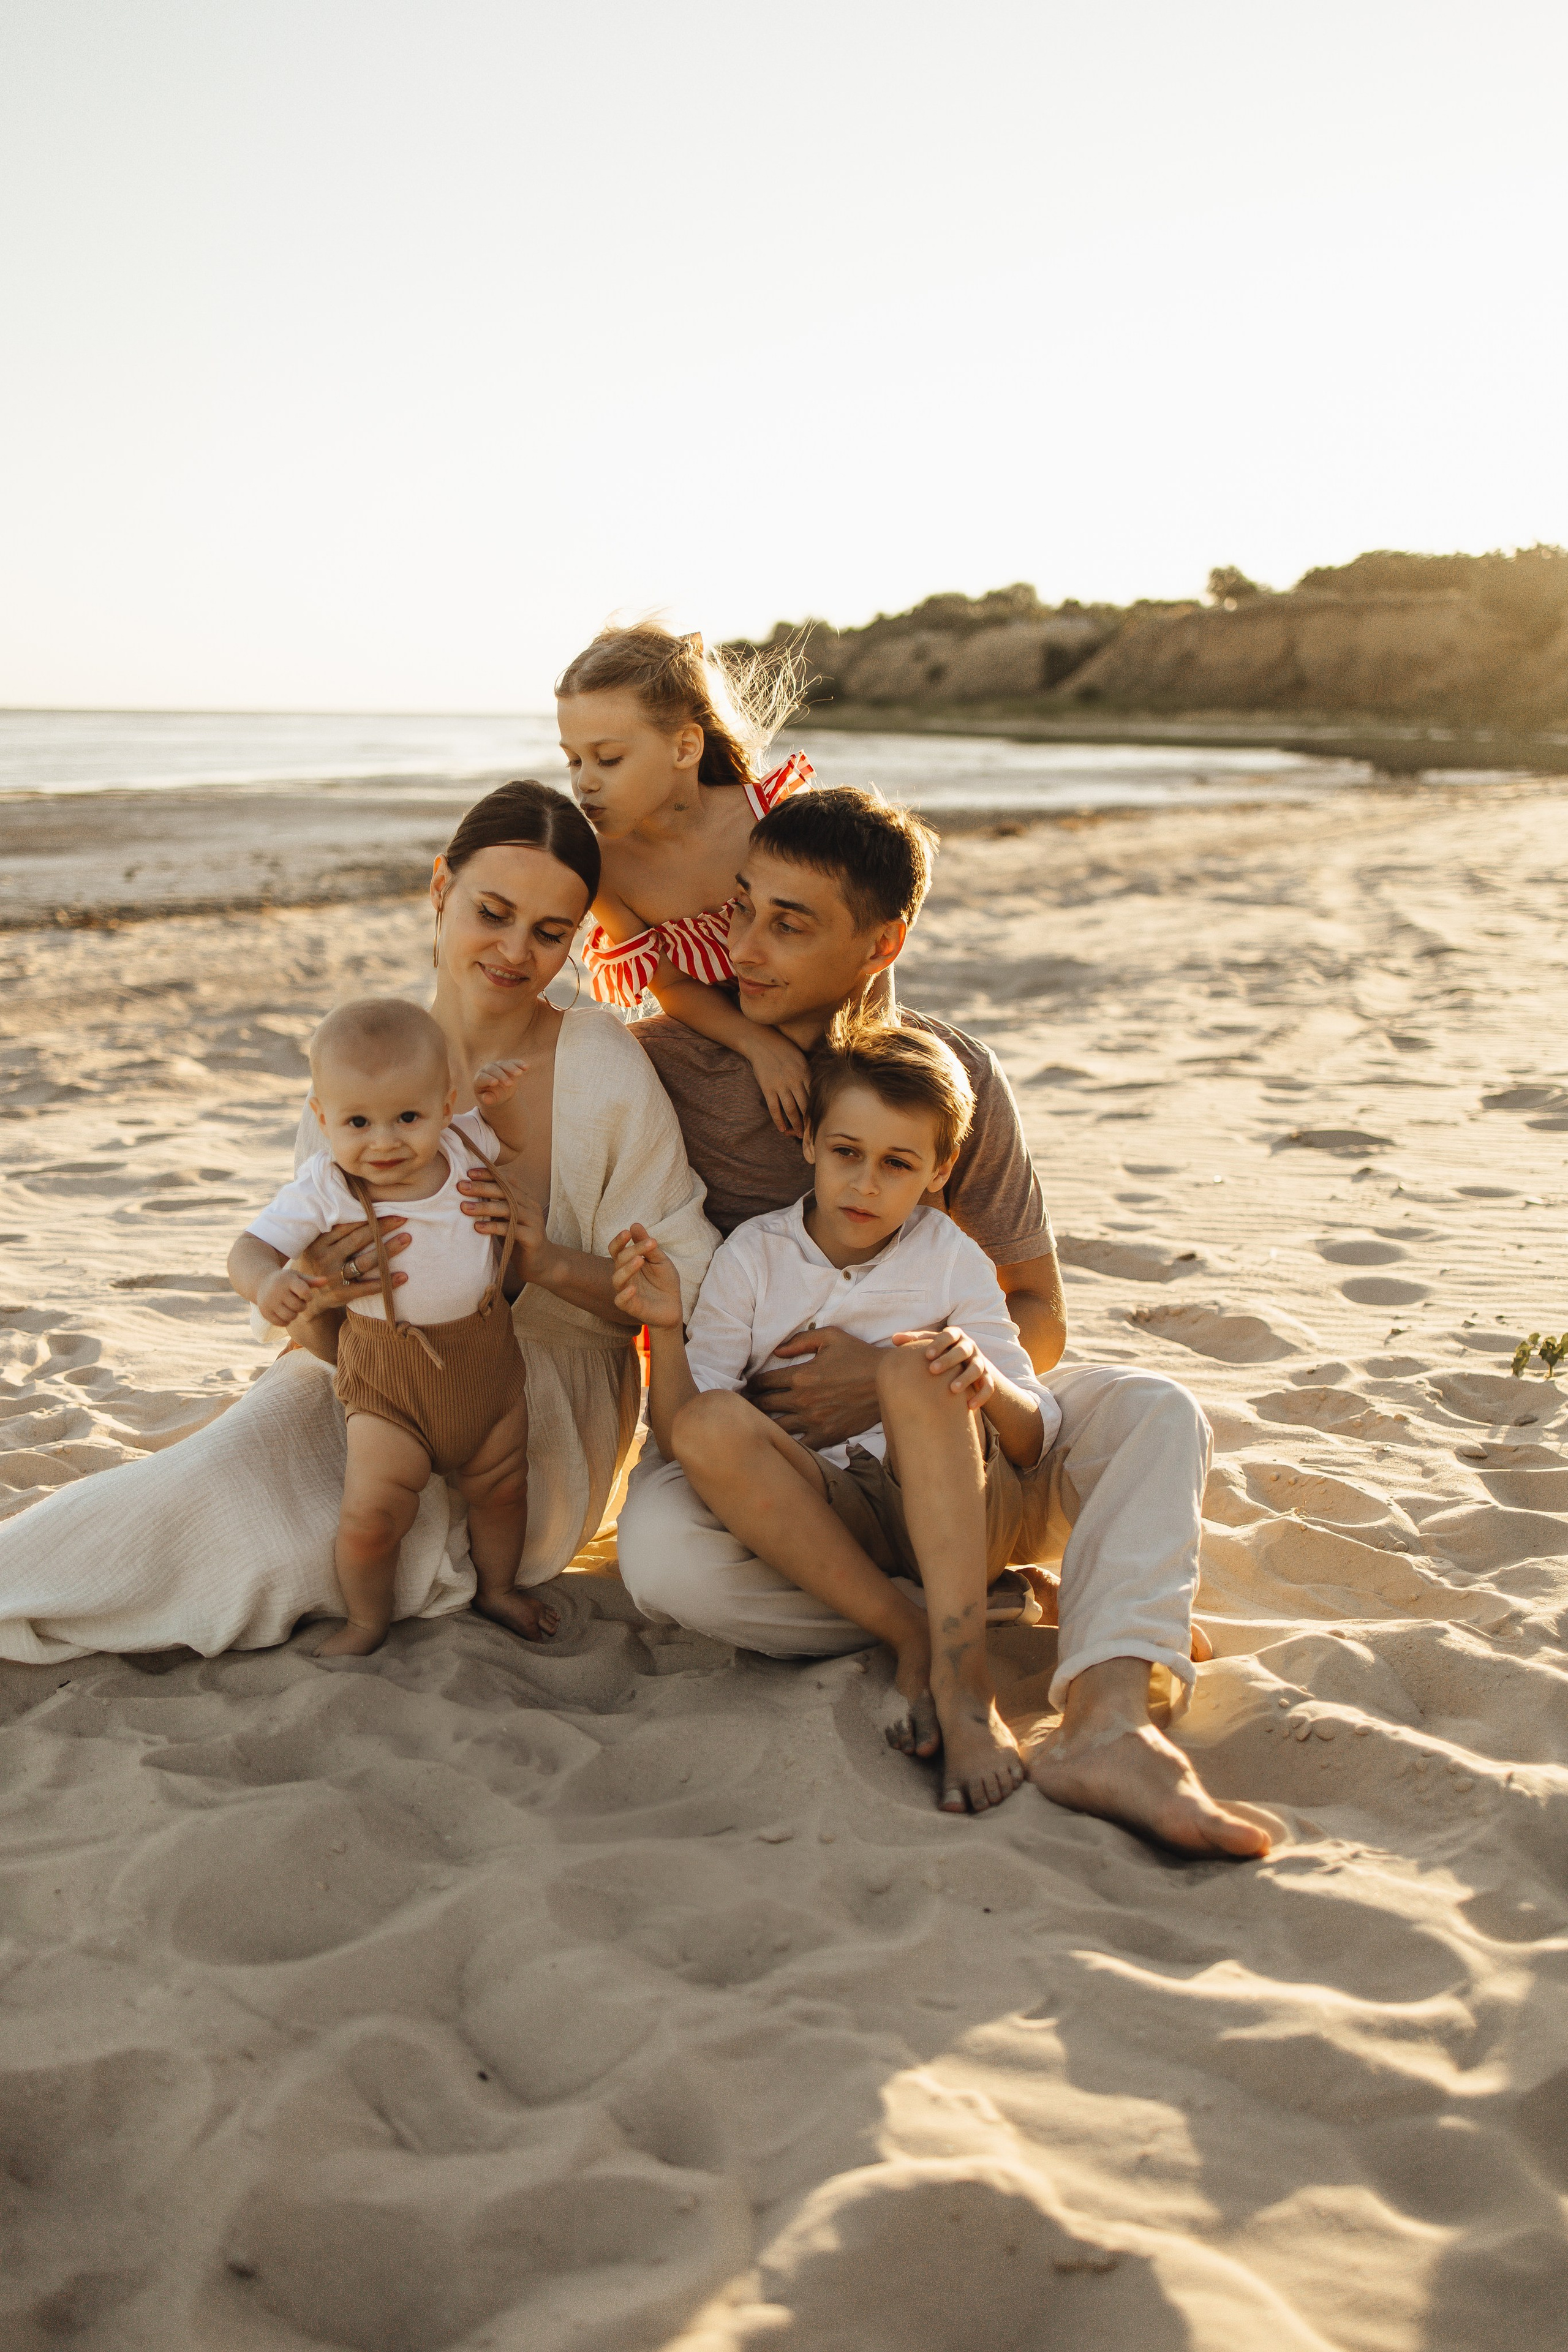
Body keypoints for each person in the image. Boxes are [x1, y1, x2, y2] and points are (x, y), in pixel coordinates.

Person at [619, 784, 1270, 1860]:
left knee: (1157, 1409)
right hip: (806, 1477)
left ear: (885, 942)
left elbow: (1039, 1318)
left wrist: (892, 1372)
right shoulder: (674, 1065)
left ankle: (1107, 1719)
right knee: (664, 1563)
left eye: (792, 922)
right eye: (742, 908)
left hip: (966, 1421)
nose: (747, 945)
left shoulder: (948, 1073)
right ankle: (977, 1613)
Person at [0, 782, 715, 1665]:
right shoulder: (368, 1064)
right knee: (216, 1490)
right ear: (439, 890)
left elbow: (686, 1285)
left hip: (541, 1406)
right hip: (373, 1380)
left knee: (305, 1556)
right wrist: (320, 1296)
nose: (515, 951)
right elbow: (308, 1320)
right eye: (492, 912)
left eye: (551, 932)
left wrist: (542, 1258)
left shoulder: (603, 1062)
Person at [612, 1019, 1063, 1815]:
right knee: (716, 1424)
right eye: (847, 1153)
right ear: (812, 1143)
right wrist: (668, 1330)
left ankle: (964, 1682)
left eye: (898, 1164)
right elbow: (685, 1435)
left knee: (920, 1366)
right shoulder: (755, 1255)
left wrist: (981, 1374)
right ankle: (908, 1633)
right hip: (833, 1515)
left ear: (938, 1171)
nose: (865, 1184)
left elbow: (1032, 1439)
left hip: (956, 1503)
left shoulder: (950, 1256)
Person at [230, 998, 539, 1657]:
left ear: (445, 1103)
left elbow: (511, 1140)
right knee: (371, 1519)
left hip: (487, 1372)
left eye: (407, 1117)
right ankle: (365, 1622)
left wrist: (501, 1103)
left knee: (505, 1490)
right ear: (322, 1119)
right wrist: (269, 1283)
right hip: (389, 1389)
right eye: (358, 1122)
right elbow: (247, 1250)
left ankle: (499, 1589)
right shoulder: (328, 1187)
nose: (385, 1141)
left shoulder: (461, 1144)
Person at [557, 622, 819, 1137]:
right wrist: (757, 1043)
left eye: (608, 759)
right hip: (713, 1024)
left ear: (684, 748)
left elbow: (843, 932)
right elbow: (671, 984)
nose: (584, 781)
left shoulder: (767, 816)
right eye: (573, 759)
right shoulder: (606, 870)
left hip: (813, 999)